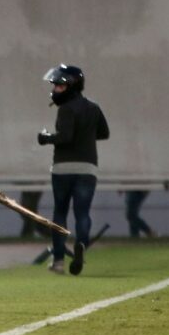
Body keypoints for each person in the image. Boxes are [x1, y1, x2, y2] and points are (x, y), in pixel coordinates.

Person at [38, 64, 109, 276]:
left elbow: (65, 137)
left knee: (60, 212)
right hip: (87, 167)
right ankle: (81, 245)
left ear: (72, 86)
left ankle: (58, 261)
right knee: (82, 213)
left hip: (63, 167)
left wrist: (46, 138)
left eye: (59, 86)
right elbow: (103, 133)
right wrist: (86, 137)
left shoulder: (66, 109)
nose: (55, 89)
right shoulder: (94, 108)